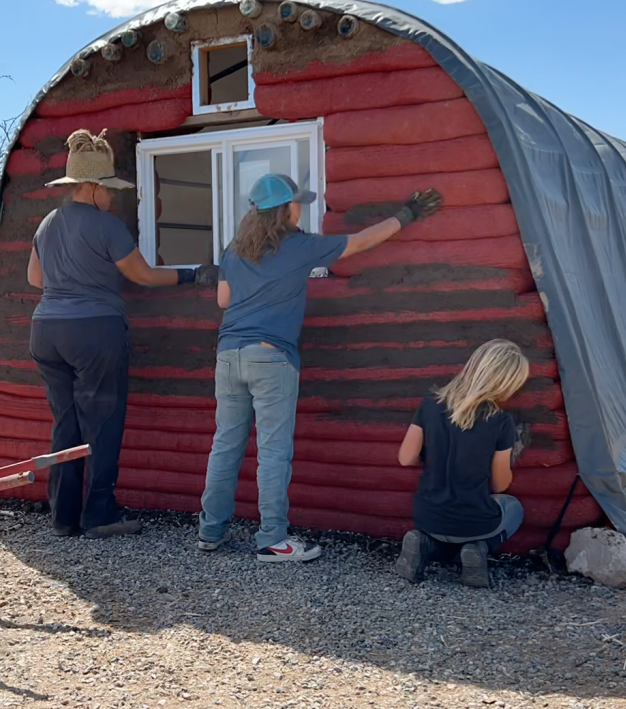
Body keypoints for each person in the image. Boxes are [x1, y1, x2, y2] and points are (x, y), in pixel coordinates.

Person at [197, 174, 444, 562]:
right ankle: (272, 540)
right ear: (285, 209)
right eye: (298, 203)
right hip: (271, 358)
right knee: (273, 452)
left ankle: (210, 532)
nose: (301, 208)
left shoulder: (234, 249)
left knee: (225, 445)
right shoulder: (299, 246)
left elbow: (224, 299)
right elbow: (361, 242)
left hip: (229, 356)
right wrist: (407, 214)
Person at [28, 129, 219, 539]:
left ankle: (63, 516)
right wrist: (195, 274)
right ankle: (99, 514)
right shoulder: (106, 225)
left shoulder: (47, 223)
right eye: (109, 189)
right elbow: (144, 275)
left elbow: (34, 277)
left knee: (66, 424)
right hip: (94, 330)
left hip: (46, 330)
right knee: (103, 421)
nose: (112, 197)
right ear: (94, 187)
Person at [395, 339, 530, 588]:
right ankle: (478, 549)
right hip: (474, 520)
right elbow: (500, 485)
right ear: (507, 383)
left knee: (442, 528)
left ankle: (425, 545)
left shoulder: (428, 405)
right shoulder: (501, 422)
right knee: (514, 507)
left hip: (427, 516)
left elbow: (406, 458)